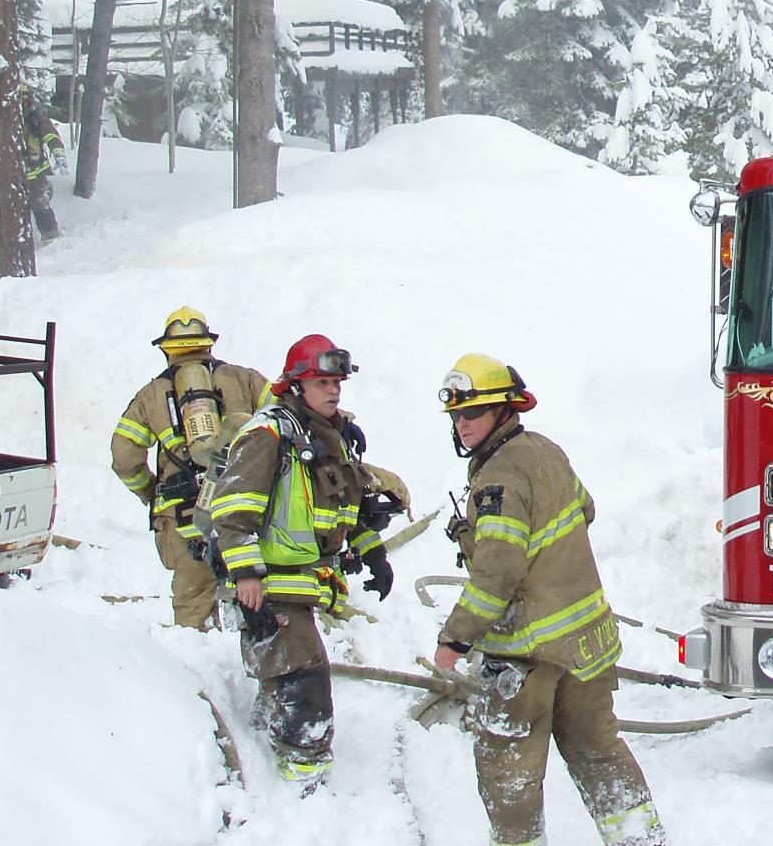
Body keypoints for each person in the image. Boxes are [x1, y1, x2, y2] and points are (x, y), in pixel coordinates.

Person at [432, 353, 665, 846]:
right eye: (456, 415)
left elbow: (497, 571)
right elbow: (586, 507)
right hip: (585, 647)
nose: (462, 424)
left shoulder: (496, 479)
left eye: (472, 412)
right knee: (598, 751)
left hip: (527, 657)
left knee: (508, 769)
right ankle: (639, 840)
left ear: (503, 410)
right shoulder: (545, 450)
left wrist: (455, 637)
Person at [206, 333, 393, 790]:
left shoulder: (329, 436)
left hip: (302, 580)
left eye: (337, 382)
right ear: (296, 385)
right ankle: (303, 784)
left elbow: (343, 507)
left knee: (289, 672)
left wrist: (372, 550)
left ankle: (276, 748)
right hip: (269, 583)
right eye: (322, 382)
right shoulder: (268, 434)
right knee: (304, 681)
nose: (333, 390)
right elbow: (232, 512)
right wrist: (246, 573)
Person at [110, 307, 272, 629]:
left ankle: (196, 667)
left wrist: (150, 492)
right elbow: (282, 423)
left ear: (166, 350)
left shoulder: (150, 396)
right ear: (209, 344)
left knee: (193, 601)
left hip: (184, 520)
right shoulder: (247, 380)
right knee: (259, 593)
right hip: (246, 512)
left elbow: (124, 458)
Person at [19, 84, 66, 242]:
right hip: (15, 171)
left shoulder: (35, 117)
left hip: (36, 169)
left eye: (25, 98)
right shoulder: (5, 119)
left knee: (40, 203)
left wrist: (58, 154)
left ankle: (50, 235)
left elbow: (51, 135)